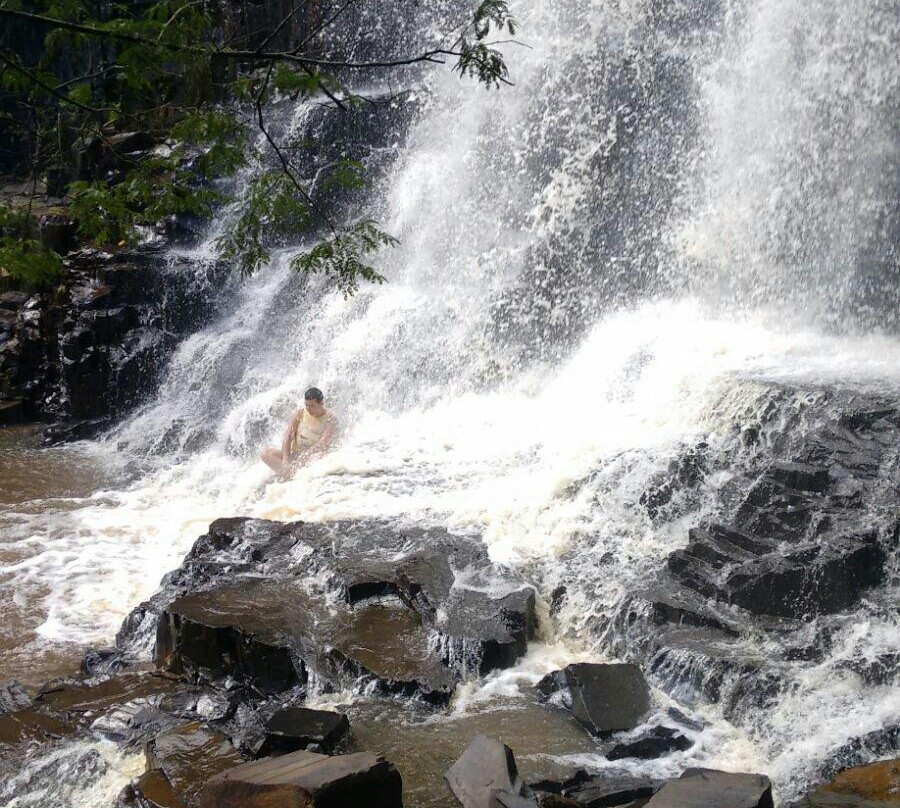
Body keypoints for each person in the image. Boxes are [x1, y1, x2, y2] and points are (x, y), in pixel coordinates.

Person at [261, 387, 338, 478]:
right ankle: (289, 473)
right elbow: (288, 436)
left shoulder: (330, 420)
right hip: (294, 454)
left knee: (321, 456)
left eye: (312, 406)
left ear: (321, 403)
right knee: (266, 453)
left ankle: (290, 474)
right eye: (306, 405)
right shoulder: (300, 413)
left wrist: (306, 455)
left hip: (310, 457)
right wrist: (285, 459)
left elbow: (323, 443)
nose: (308, 409)